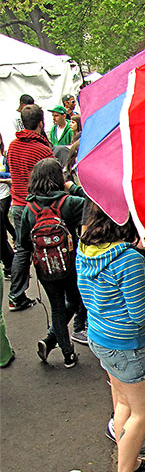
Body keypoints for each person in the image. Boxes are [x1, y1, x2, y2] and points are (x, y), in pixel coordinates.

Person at [76, 201, 145, 472]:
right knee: (142, 411)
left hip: (101, 338)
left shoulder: (85, 250)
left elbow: (107, 293)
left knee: (122, 405)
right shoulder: (128, 259)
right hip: (129, 347)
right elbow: (141, 315)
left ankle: (127, 461)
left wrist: (144, 283)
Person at [18, 158, 86, 367]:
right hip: (69, 264)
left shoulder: (30, 208)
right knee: (74, 301)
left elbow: (23, 242)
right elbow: (93, 202)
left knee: (56, 307)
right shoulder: (69, 203)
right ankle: (51, 339)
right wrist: (72, 187)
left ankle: (66, 354)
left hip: (44, 267)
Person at [7, 104, 54, 311]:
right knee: (49, 246)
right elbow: (54, 181)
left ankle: (16, 295)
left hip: (17, 204)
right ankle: (56, 292)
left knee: (21, 250)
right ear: (41, 123)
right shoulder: (43, 150)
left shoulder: (12, 146)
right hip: (37, 207)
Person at [0, 133, 14, 279]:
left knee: (3, 219)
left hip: (4, 195)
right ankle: (10, 263)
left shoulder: (4, 157)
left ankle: (9, 265)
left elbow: (11, 173)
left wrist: (3, 178)